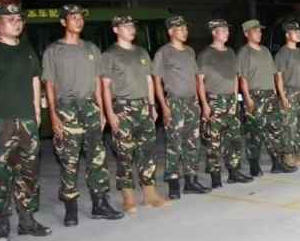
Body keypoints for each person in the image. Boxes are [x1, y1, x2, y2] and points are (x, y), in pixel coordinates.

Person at [0, 3, 51, 241]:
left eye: (19, 19)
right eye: (10, 19)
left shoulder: (27, 49)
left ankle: (27, 220)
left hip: (26, 120)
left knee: (29, 172)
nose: (17, 23)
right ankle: (2, 221)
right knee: (0, 173)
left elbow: (35, 80)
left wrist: (36, 112)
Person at [42, 4, 123, 227]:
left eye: (80, 18)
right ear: (63, 22)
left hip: (90, 107)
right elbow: (49, 85)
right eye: (73, 17)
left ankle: (100, 204)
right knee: (69, 160)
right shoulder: (53, 51)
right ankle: (71, 208)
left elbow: (97, 82)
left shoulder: (91, 49)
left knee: (97, 158)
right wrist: (53, 116)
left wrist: (102, 111)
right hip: (66, 108)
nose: (78, 21)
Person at [99, 15, 164, 214]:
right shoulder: (109, 55)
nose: (131, 29)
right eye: (126, 26)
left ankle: (150, 193)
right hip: (122, 108)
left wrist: (152, 106)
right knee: (124, 154)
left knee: (147, 151)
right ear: (115, 30)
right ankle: (128, 196)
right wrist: (110, 113)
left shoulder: (141, 52)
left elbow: (149, 80)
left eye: (132, 26)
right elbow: (105, 86)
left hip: (143, 106)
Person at [152, 15, 210, 199]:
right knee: (174, 144)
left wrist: (200, 102)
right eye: (181, 29)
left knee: (193, 142)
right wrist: (164, 107)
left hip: (191, 102)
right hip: (174, 102)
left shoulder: (190, 51)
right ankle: (173, 183)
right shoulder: (163, 53)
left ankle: (191, 181)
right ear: (171, 31)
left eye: (186, 28)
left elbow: (196, 78)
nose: (185, 32)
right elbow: (157, 82)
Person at [197, 19, 251, 189]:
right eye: (223, 30)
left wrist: (235, 99)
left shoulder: (231, 53)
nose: (227, 33)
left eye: (228, 30)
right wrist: (205, 105)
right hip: (214, 100)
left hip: (230, 100)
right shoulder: (205, 55)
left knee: (234, 138)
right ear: (214, 32)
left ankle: (234, 172)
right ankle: (215, 176)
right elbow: (200, 82)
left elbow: (235, 77)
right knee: (214, 141)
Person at [239, 19, 294, 175]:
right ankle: (254, 165)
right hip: (254, 95)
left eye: (260, 31)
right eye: (255, 31)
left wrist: (276, 93)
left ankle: (277, 163)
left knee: (275, 130)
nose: (259, 33)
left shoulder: (265, 50)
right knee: (254, 132)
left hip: (269, 95)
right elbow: (242, 78)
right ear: (246, 34)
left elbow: (273, 74)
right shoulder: (244, 53)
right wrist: (247, 98)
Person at [275, 21, 300, 165]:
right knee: (289, 125)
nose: (299, 34)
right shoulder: (282, 53)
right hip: (289, 91)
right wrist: (282, 96)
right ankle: (288, 154)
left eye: (299, 32)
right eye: (295, 32)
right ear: (287, 35)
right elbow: (278, 77)